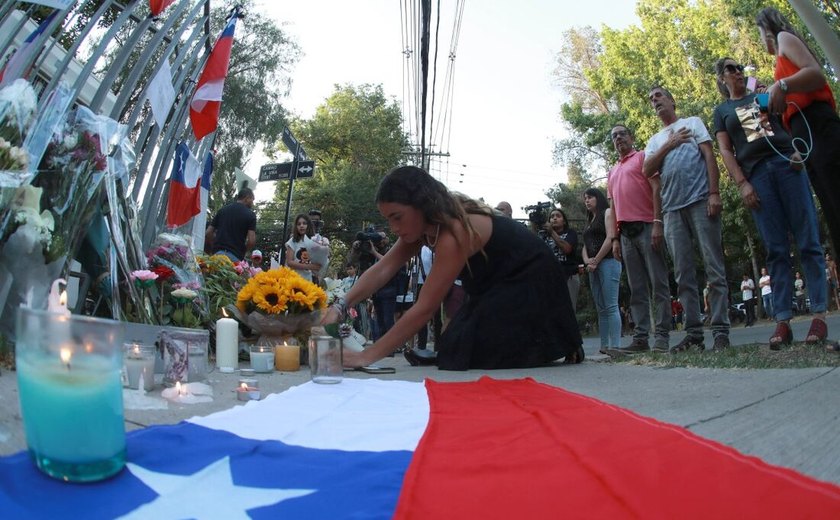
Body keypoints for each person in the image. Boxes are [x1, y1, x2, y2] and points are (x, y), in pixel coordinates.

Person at [322, 165, 583, 370]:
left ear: (422, 206)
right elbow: (383, 269)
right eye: (388, 220)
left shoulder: (454, 232)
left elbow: (425, 307)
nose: (393, 228)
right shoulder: (423, 228)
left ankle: (558, 341)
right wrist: (340, 305)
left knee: (463, 350)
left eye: (397, 217)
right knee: (454, 346)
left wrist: (366, 356)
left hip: (529, 283)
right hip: (493, 287)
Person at [712, 56, 827, 347]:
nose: (737, 71)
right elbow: (726, 150)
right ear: (721, 78)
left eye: (739, 67)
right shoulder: (723, 110)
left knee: (807, 238)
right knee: (775, 248)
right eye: (730, 69)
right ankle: (783, 320)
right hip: (757, 175)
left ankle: (819, 316)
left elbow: (787, 117)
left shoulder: (760, 94)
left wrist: (799, 151)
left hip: (787, 163)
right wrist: (741, 183)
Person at [643, 85, 731, 352]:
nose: (655, 100)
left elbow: (708, 156)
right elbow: (647, 169)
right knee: (683, 275)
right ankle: (693, 334)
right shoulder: (655, 140)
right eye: (651, 99)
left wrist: (714, 193)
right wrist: (670, 144)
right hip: (671, 211)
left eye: (659, 95)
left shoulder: (692, 123)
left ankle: (720, 332)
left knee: (713, 267)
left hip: (700, 201)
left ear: (671, 100)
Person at [755, 7, 840, 259]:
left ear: (765, 29)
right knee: (831, 206)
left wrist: (781, 85)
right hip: (802, 143)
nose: (737, 72)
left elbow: (816, 74)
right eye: (730, 70)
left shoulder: (784, 39)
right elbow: (762, 129)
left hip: (819, 128)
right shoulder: (731, 108)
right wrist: (767, 96)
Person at [606, 124, 671, 355]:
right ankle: (641, 338)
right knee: (637, 289)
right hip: (625, 235)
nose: (619, 138)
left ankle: (662, 336)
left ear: (631, 137)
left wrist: (657, 223)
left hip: (647, 227)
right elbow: (613, 206)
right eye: (614, 136)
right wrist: (614, 238)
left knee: (659, 283)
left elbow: (656, 189)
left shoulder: (643, 157)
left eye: (622, 133)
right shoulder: (612, 171)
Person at [582, 188, 621, 354]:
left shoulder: (607, 212)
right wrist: (587, 261)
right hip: (593, 267)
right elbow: (584, 246)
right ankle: (604, 346)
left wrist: (596, 260)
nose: (587, 201)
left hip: (608, 263)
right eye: (585, 198)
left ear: (598, 197)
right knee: (601, 308)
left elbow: (610, 237)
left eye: (590, 197)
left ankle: (616, 346)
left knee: (611, 305)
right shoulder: (589, 220)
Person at [542, 208, 580, 310]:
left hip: (568, 276)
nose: (554, 218)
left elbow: (567, 249)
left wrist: (552, 232)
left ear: (564, 221)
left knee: (568, 310)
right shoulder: (543, 235)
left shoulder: (571, 233)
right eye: (552, 217)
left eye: (558, 216)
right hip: (549, 278)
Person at [205, 187, 256, 262]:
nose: (252, 202)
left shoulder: (222, 210)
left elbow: (208, 232)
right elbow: (251, 241)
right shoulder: (250, 215)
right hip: (235, 258)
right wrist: (243, 252)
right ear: (246, 198)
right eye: (252, 199)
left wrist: (214, 246)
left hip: (217, 255)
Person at [284, 213, 321, 282]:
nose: (301, 226)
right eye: (299, 224)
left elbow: (318, 263)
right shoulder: (293, 241)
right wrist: (309, 266)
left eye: (304, 223)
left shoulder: (314, 241)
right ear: (296, 227)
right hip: (293, 280)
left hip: (308, 281)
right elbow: (289, 262)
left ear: (308, 225)